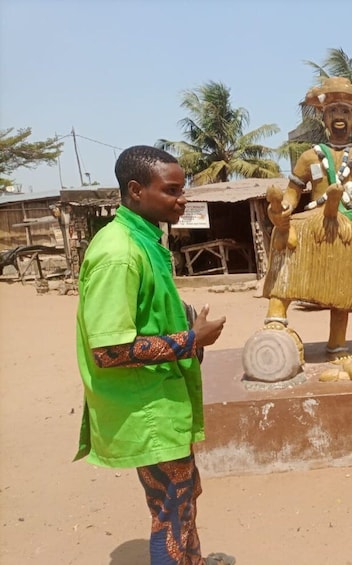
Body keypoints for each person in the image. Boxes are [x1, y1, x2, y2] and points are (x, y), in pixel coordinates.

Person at [74, 145, 233, 565]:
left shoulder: (145, 241)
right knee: (171, 510)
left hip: (161, 401)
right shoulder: (119, 254)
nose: (182, 199)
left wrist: (183, 323)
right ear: (135, 190)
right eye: (172, 190)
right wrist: (190, 340)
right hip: (146, 408)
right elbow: (107, 350)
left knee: (182, 499)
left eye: (183, 189)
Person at [262, 76, 352, 360]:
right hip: (314, 219)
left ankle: (337, 342)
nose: (339, 117)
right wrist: (283, 209)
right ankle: (275, 318)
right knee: (286, 238)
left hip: (346, 221)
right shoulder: (309, 157)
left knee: (344, 277)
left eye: (345, 111)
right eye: (333, 112)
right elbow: (293, 192)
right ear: (324, 118)